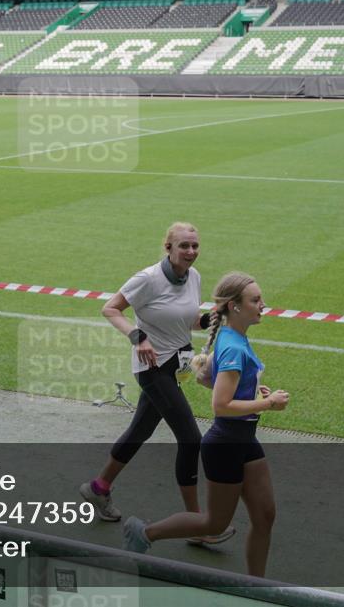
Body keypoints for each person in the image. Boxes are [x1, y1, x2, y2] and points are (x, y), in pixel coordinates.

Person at [122, 272, 290, 578]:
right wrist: (268, 404)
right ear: (235, 306)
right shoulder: (233, 347)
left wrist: (252, 391)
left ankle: (256, 587)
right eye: (255, 300)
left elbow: (203, 377)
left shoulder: (230, 336)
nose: (262, 305)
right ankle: (144, 533)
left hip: (244, 440)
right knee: (214, 523)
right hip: (226, 444)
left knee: (265, 515)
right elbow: (221, 406)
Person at [80, 222, 234, 548]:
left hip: (176, 366)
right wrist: (137, 337)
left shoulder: (193, 277)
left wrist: (211, 318)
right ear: (168, 248)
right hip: (152, 369)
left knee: (140, 430)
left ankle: (99, 488)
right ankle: (196, 524)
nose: (190, 251)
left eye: (195, 246)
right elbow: (110, 308)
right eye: (184, 246)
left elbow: (187, 320)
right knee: (191, 439)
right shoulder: (147, 279)